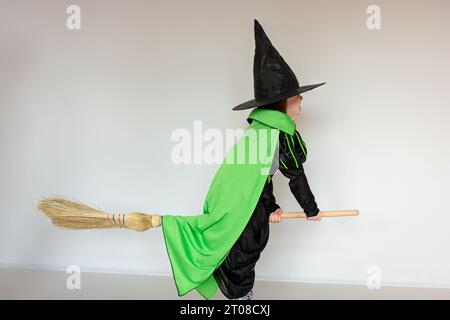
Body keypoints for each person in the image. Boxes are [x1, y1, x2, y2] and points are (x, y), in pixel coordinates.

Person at [212, 94, 322, 300]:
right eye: (294, 95)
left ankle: (241, 296)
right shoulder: (279, 131)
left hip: (237, 198)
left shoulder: (260, 129)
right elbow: (295, 175)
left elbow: (258, 175)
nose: (301, 97)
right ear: (281, 102)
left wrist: (269, 206)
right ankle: (241, 299)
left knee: (244, 248)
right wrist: (311, 209)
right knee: (245, 248)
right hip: (243, 203)